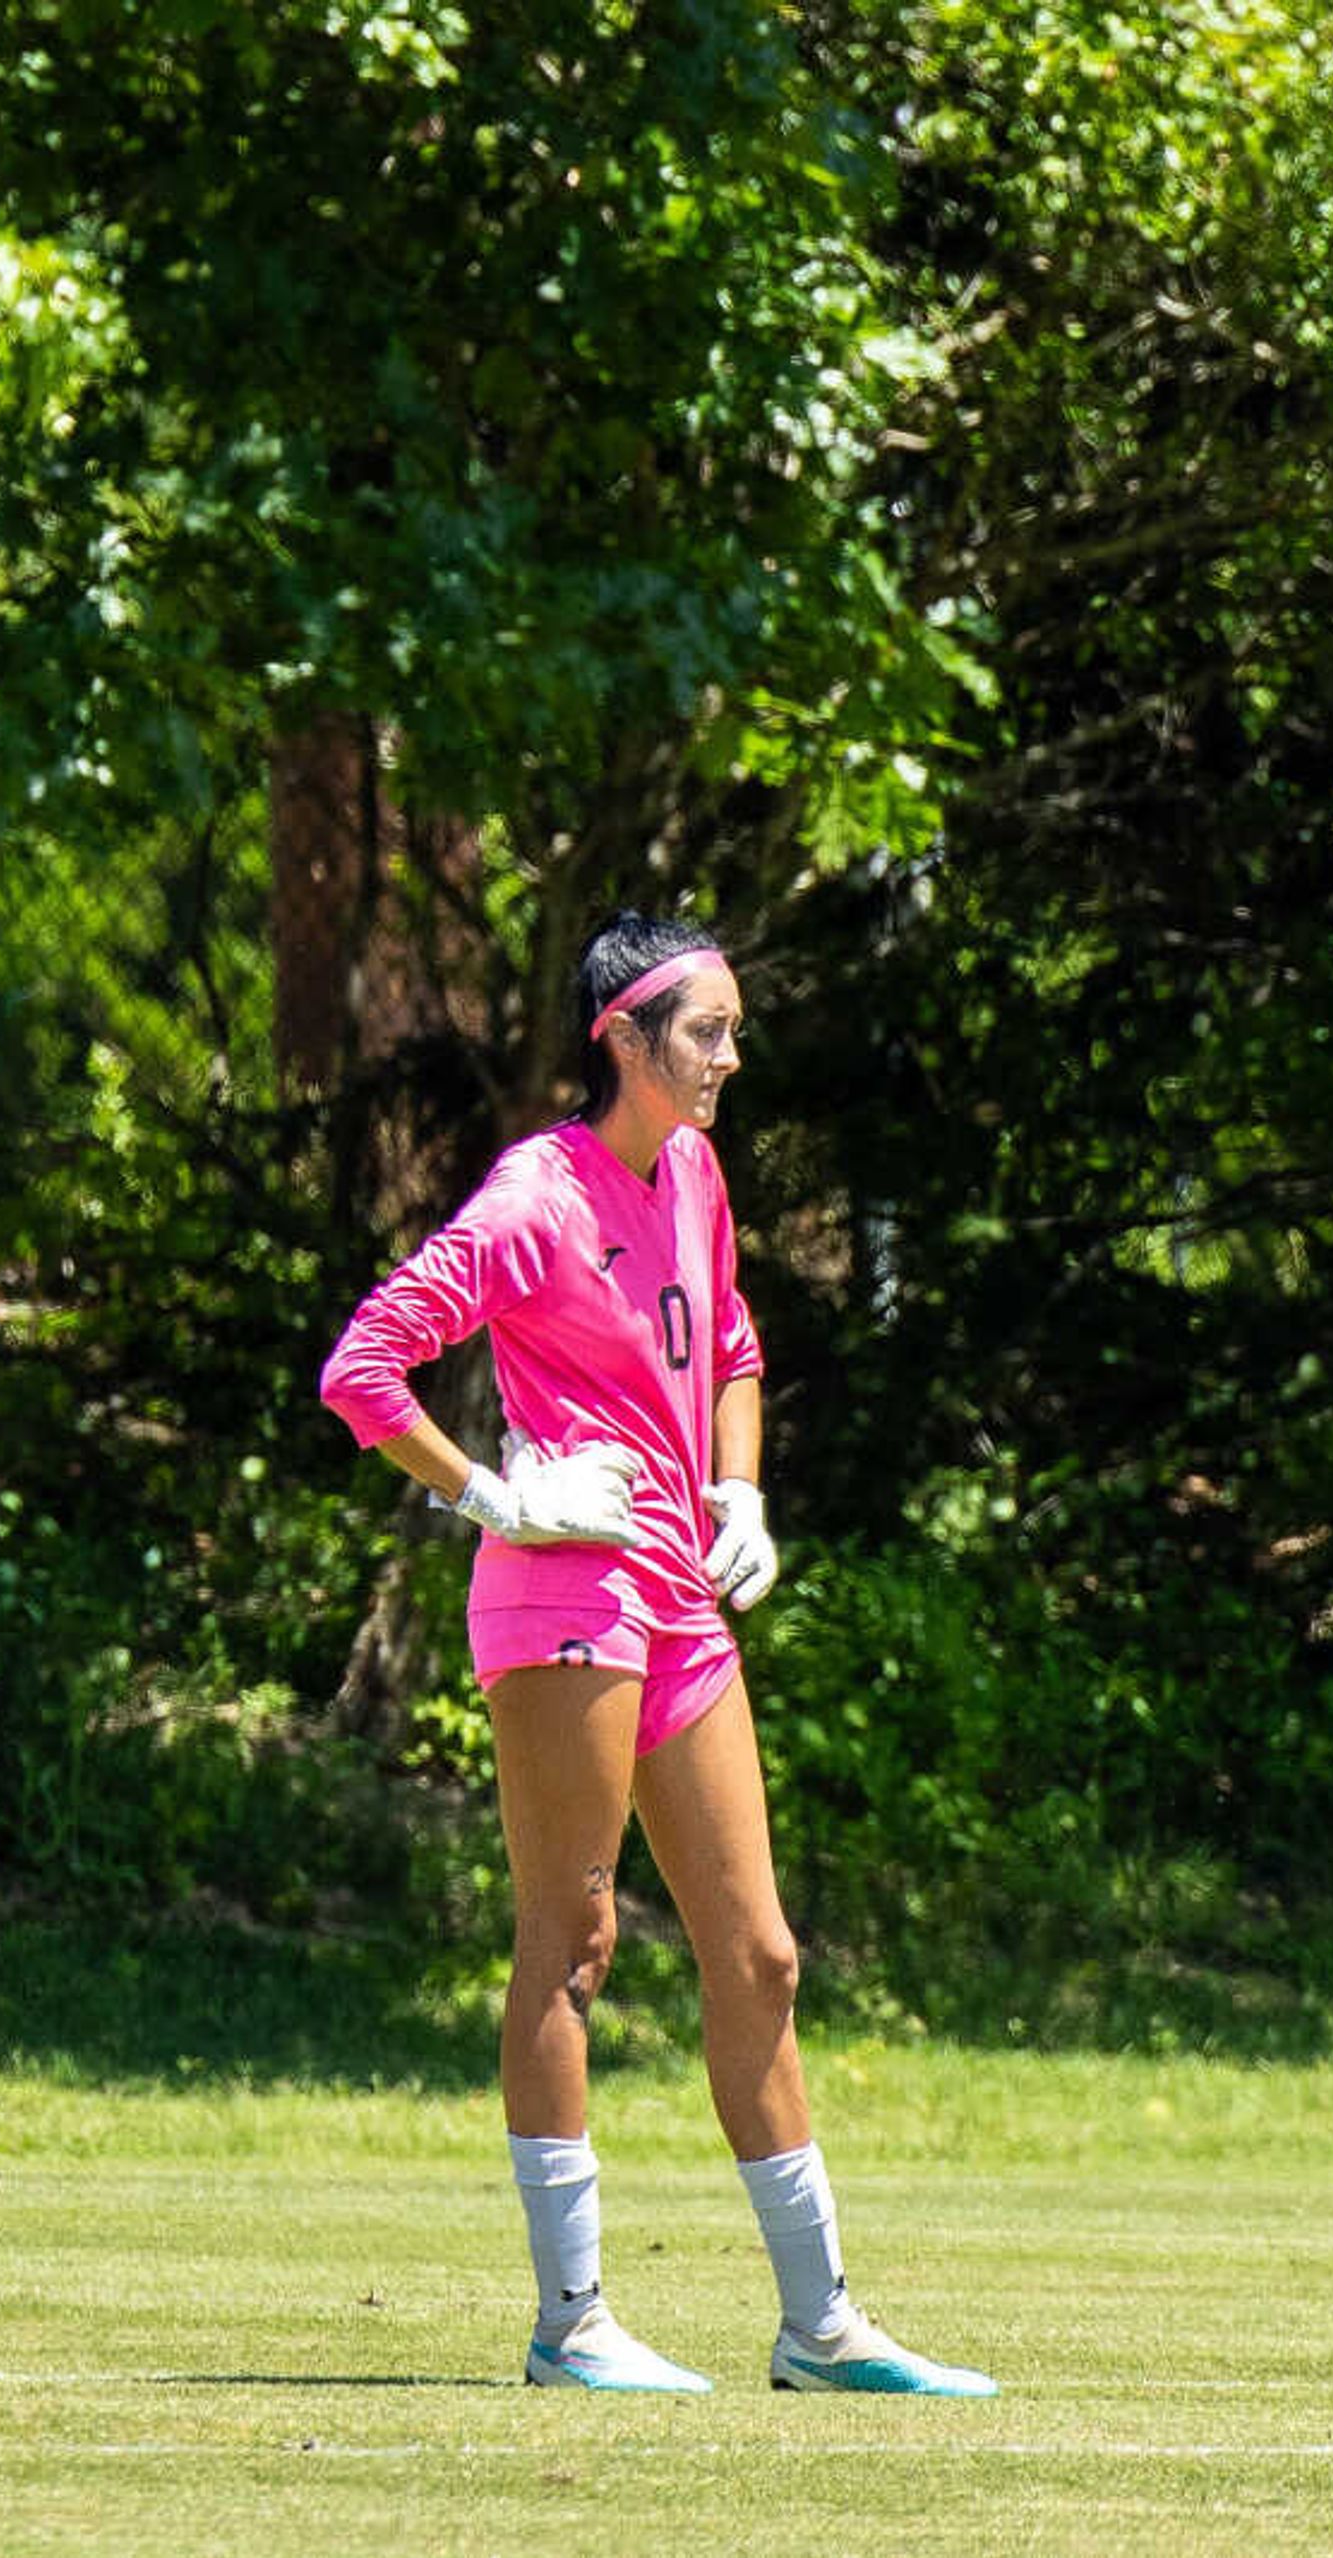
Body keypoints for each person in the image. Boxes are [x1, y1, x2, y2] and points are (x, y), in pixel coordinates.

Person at [318, 911, 997, 2398]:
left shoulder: (690, 1169)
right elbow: (361, 1366)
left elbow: (735, 1345)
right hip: (563, 1599)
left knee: (760, 1952)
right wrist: (499, 1493)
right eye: (707, 1032)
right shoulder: (532, 1197)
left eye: (735, 1031)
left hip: (680, 1599)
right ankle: (572, 2327)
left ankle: (820, 2327)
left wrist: (740, 1486)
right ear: (619, 1038)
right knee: (575, 1945)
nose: (731, 1058)